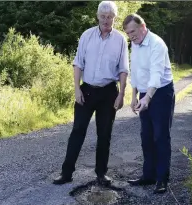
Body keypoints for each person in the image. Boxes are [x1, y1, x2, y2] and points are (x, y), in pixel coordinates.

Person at [53, 1, 129, 186]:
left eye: (109, 17)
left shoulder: (120, 39)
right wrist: (76, 88)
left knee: (104, 134)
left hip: (109, 92)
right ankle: (66, 173)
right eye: (103, 16)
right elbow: (78, 63)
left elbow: (123, 69)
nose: (106, 20)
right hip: (86, 91)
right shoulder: (87, 35)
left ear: (114, 18)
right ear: (97, 17)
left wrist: (121, 94)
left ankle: (101, 174)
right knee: (78, 131)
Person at [123, 13, 175, 194]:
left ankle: (162, 179)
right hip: (145, 92)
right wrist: (134, 96)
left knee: (160, 136)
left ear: (143, 26)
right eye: (128, 34)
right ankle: (149, 175)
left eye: (133, 32)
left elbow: (156, 75)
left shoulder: (156, 44)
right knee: (146, 136)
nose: (131, 36)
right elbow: (136, 73)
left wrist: (148, 98)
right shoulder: (135, 46)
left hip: (161, 93)